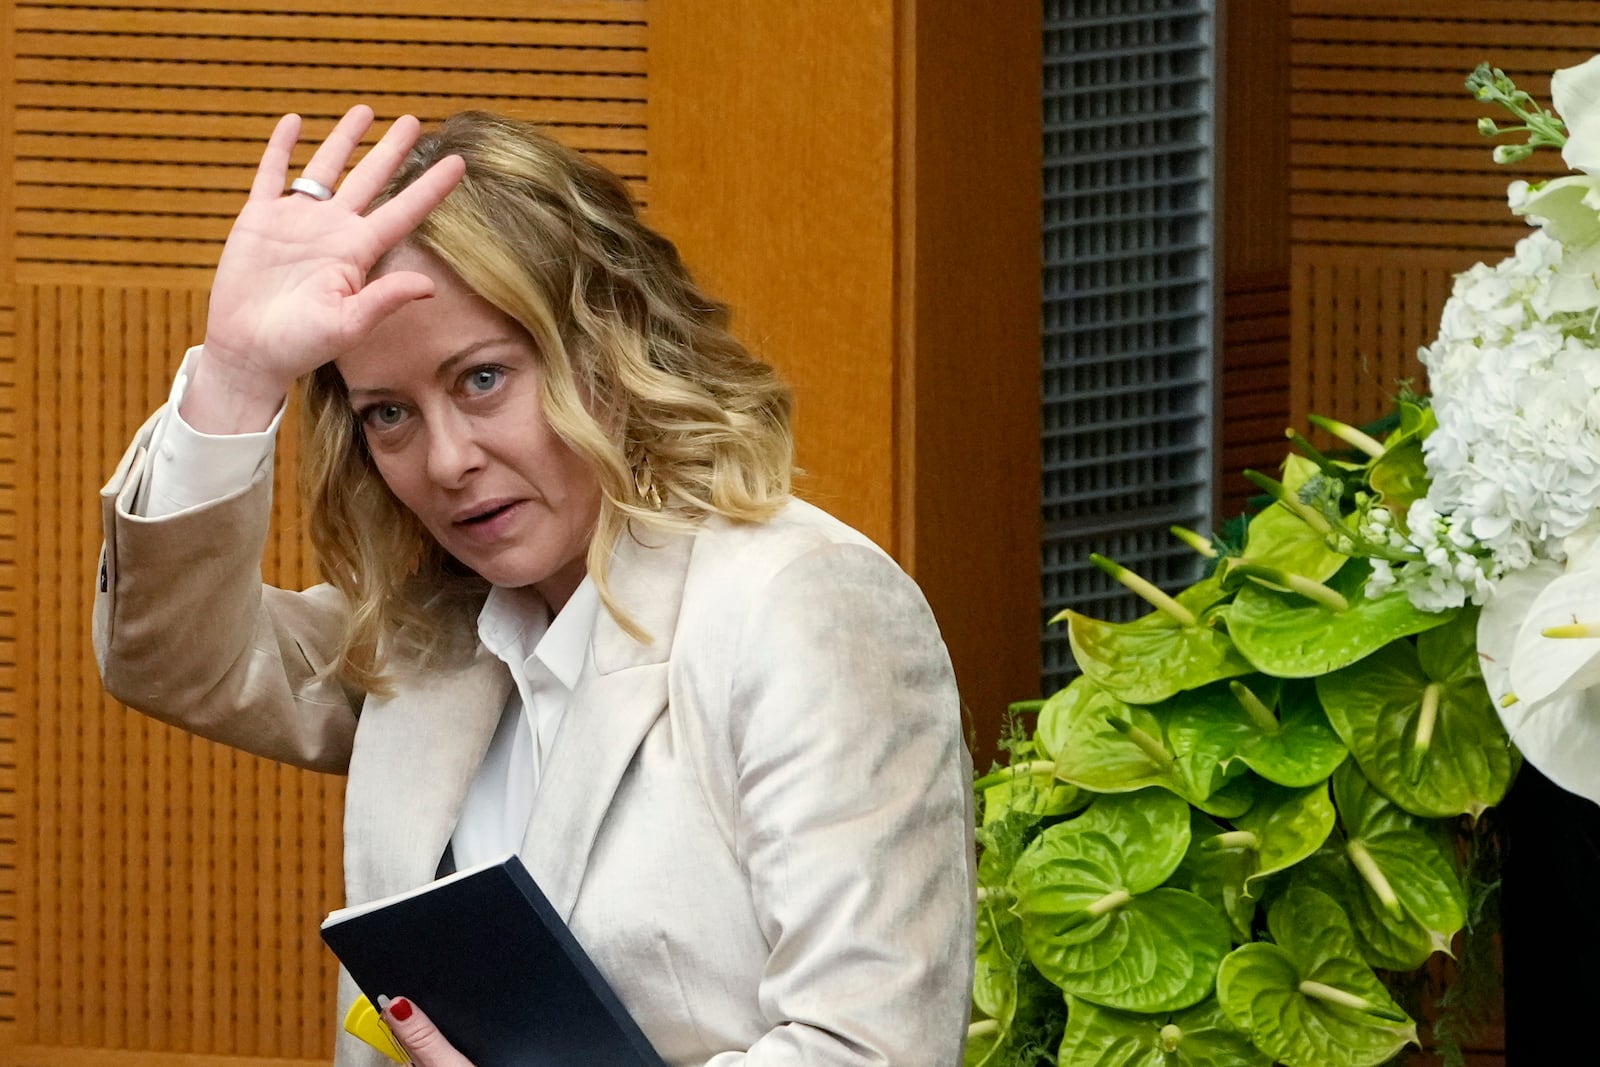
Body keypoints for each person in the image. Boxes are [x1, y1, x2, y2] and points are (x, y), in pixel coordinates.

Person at [91, 105, 976, 1066]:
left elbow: (870, 1047)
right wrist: (237, 372)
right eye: (389, 413)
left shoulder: (803, 603)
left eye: (481, 380)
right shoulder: (427, 629)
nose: (446, 460)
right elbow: (173, 655)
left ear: (606, 348)